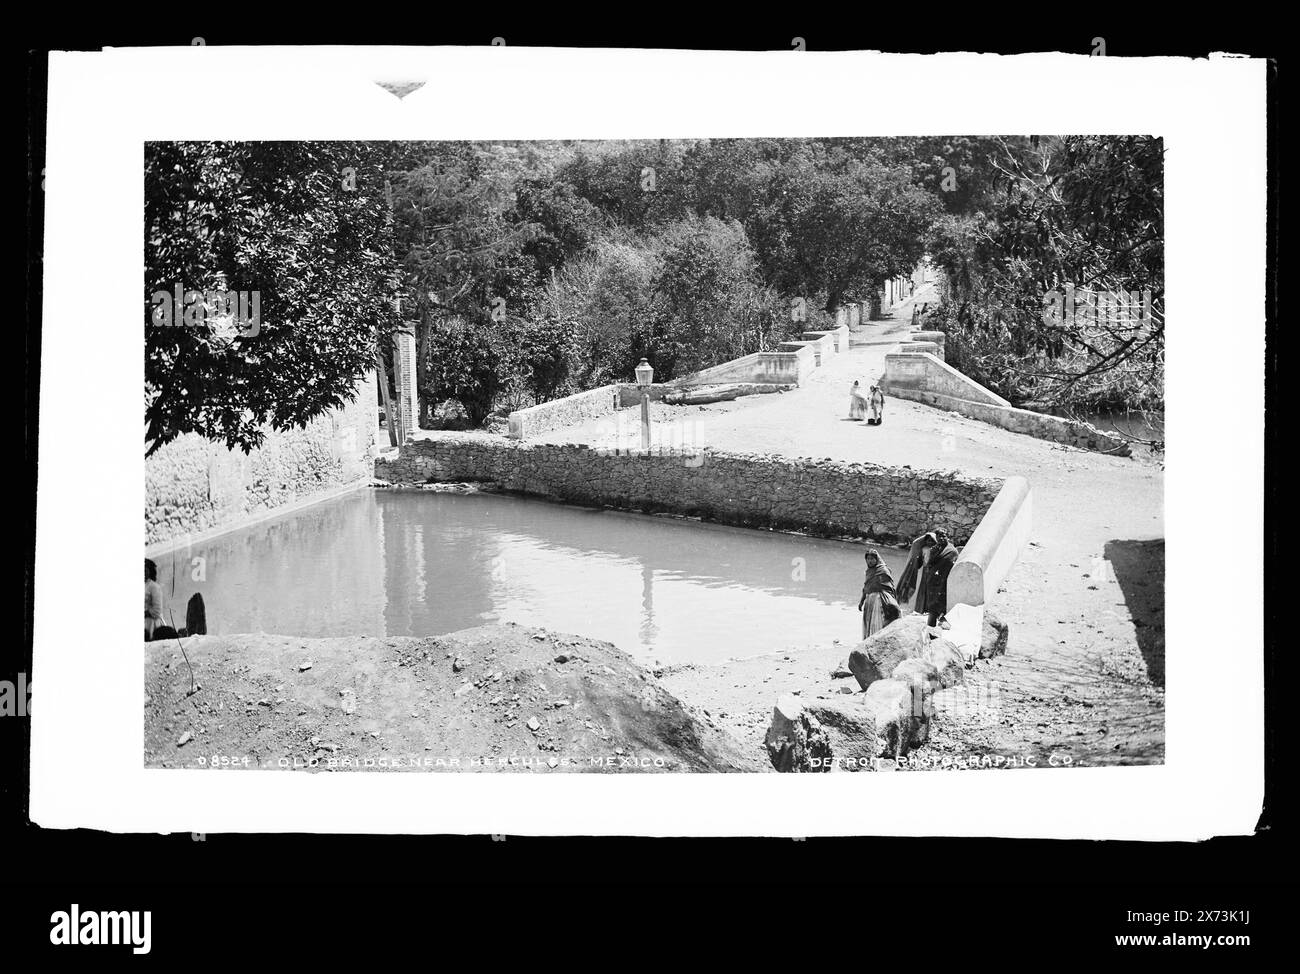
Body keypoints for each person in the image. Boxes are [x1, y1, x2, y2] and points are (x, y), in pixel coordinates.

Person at [919, 529, 959, 627]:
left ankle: (939, 626)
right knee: (932, 608)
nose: (941, 538)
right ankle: (930, 630)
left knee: (941, 607)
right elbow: (928, 564)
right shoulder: (934, 549)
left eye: (943, 536)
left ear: (948, 537)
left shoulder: (952, 551)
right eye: (938, 536)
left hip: (944, 584)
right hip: (933, 583)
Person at [857, 548, 901, 638]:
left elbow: (889, 587)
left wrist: (890, 600)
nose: (870, 561)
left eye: (872, 559)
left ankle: (878, 640)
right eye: (868, 559)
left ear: (877, 559)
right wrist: (861, 602)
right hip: (869, 600)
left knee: (877, 622)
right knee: (869, 623)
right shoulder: (868, 571)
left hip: (879, 600)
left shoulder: (883, 570)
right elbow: (866, 587)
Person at [144, 558, 164, 641]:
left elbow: (157, 610)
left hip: (151, 624)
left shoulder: (154, 587)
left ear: (150, 571)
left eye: (145, 570)